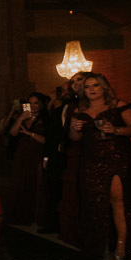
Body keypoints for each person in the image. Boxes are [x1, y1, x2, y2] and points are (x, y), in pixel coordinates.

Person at [69, 74, 131, 260]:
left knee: (118, 201)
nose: (91, 89)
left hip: (118, 158)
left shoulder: (118, 104)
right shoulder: (80, 109)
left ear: (104, 88)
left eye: (96, 86)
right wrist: (75, 129)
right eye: (87, 87)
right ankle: (97, 243)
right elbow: (74, 139)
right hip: (91, 160)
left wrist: (115, 130)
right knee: (93, 202)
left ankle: (122, 245)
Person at [4, 93, 48, 227]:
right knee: (19, 182)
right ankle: (20, 214)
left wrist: (30, 134)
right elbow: (12, 133)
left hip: (36, 154)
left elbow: (47, 141)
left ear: (40, 104)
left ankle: (34, 216)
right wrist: (20, 119)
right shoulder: (22, 118)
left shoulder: (45, 119)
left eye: (36, 103)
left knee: (35, 183)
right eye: (30, 103)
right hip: (21, 154)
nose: (33, 106)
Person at [58, 72, 90, 245]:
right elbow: (70, 133)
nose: (75, 83)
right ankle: (76, 232)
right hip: (75, 151)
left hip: (95, 150)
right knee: (74, 192)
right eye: (73, 81)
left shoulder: (96, 103)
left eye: (79, 80)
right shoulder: (73, 106)